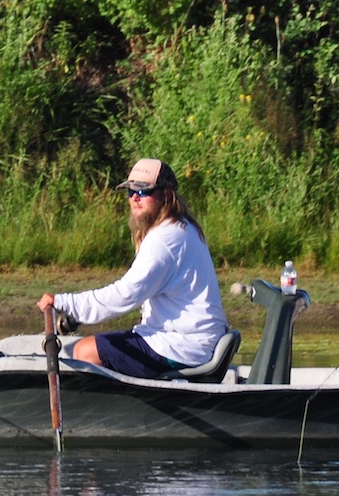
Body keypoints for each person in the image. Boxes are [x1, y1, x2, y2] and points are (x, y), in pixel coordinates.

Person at [38, 158, 228, 379]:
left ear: (166, 195)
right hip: (192, 340)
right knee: (104, 345)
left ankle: (111, 411)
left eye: (144, 192)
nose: (135, 198)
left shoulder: (165, 240)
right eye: (130, 192)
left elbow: (125, 295)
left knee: (84, 351)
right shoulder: (184, 227)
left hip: (185, 346)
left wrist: (64, 302)